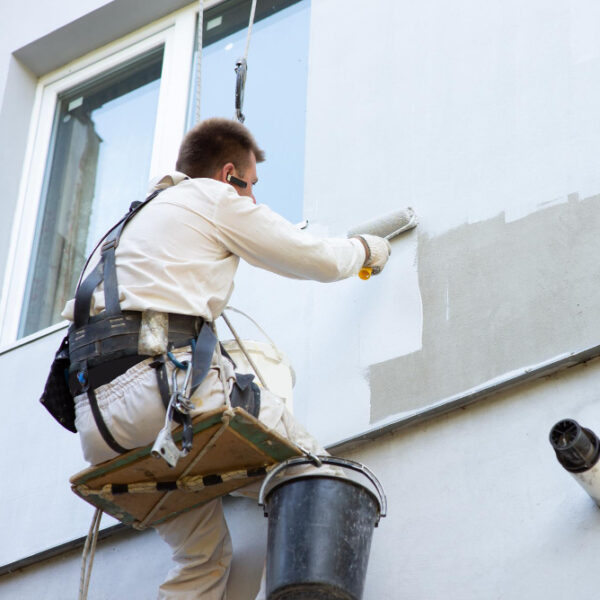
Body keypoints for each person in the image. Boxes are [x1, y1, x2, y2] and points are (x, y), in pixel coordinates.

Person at [61, 117, 391, 599]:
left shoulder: (128, 227)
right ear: (228, 173)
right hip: (164, 394)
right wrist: (367, 250)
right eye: (250, 186)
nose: (251, 200)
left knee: (202, 558)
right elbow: (311, 256)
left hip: (99, 428)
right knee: (311, 471)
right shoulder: (211, 198)